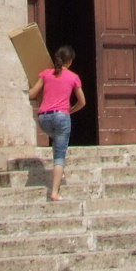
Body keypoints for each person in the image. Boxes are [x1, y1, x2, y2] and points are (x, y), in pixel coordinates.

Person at [28, 45, 87, 202]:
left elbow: (32, 93)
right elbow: (82, 102)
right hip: (62, 117)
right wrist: (71, 110)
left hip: (44, 119)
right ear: (70, 61)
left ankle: (58, 172)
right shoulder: (73, 77)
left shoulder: (46, 74)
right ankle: (54, 192)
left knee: (56, 140)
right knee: (60, 155)